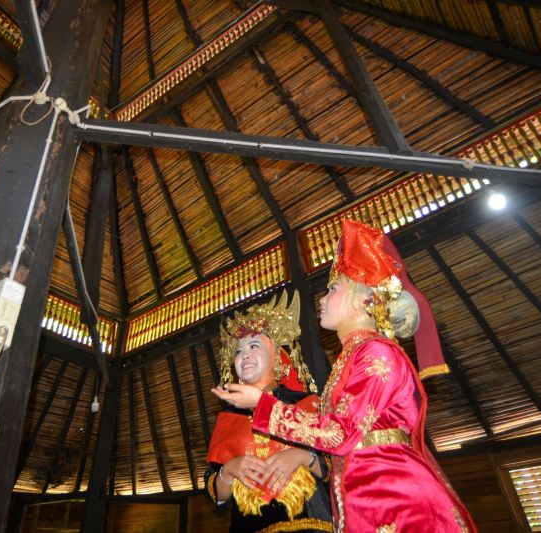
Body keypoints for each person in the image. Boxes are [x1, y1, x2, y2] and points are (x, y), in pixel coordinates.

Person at [213, 219, 477, 532]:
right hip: (363, 496)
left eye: (332, 289)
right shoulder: (353, 357)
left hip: (393, 495)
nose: (322, 299)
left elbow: (339, 434)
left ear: (365, 299)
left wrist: (261, 403)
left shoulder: (377, 353)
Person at [204, 291, 334, 533]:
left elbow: (332, 465)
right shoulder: (228, 416)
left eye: (254, 346)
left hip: (308, 524)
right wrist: (230, 469)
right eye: (238, 351)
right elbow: (216, 492)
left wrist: (302, 456)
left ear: (276, 355)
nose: (245, 355)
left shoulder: (305, 402)